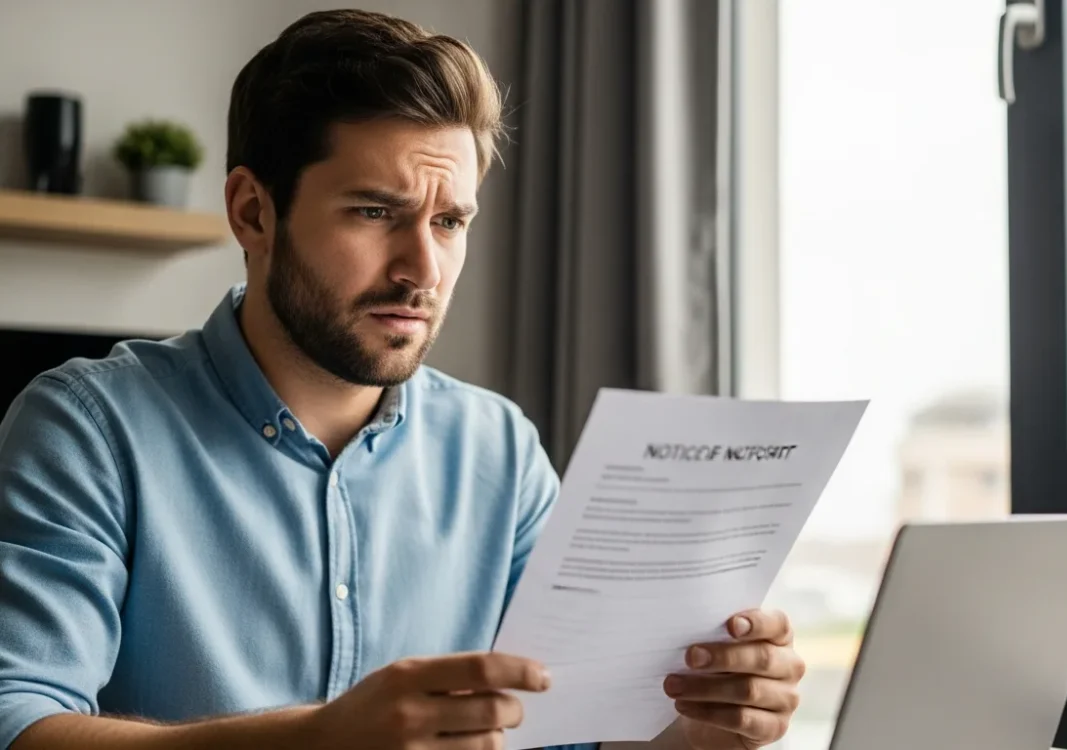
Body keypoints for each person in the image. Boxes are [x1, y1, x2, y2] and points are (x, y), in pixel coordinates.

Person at [0, 10, 804, 750]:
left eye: (449, 221)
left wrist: (697, 728)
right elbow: (17, 722)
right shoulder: (88, 429)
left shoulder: (501, 451)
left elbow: (559, 732)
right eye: (375, 212)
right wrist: (315, 742)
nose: (423, 270)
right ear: (252, 212)